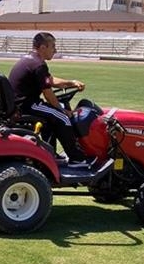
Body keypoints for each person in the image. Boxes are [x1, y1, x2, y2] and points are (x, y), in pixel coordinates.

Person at [8, 32, 94, 168]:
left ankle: (50, 154)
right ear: (43, 47)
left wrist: (71, 83)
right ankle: (77, 159)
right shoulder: (38, 65)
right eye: (53, 46)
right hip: (27, 105)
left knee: (51, 117)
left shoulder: (31, 60)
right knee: (62, 118)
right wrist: (63, 111)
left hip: (20, 104)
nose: (55, 50)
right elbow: (48, 94)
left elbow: (50, 80)